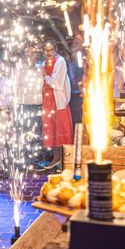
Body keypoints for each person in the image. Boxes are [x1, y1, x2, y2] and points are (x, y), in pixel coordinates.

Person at [40, 41, 73, 170]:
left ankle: (64, 160)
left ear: (55, 50)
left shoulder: (61, 62)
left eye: (51, 50)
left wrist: (45, 75)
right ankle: (55, 158)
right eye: (46, 50)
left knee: (61, 129)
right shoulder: (43, 64)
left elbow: (57, 84)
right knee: (51, 129)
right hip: (47, 101)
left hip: (58, 100)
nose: (48, 53)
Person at [13, 46, 44, 167]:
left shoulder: (40, 68)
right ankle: (24, 160)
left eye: (33, 53)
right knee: (24, 132)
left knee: (36, 132)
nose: (30, 55)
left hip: (37, 105)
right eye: (28, 53)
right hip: (24, 105)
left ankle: (34, 160)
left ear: (36, 54)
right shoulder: (19, 68)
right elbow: (14, 87)